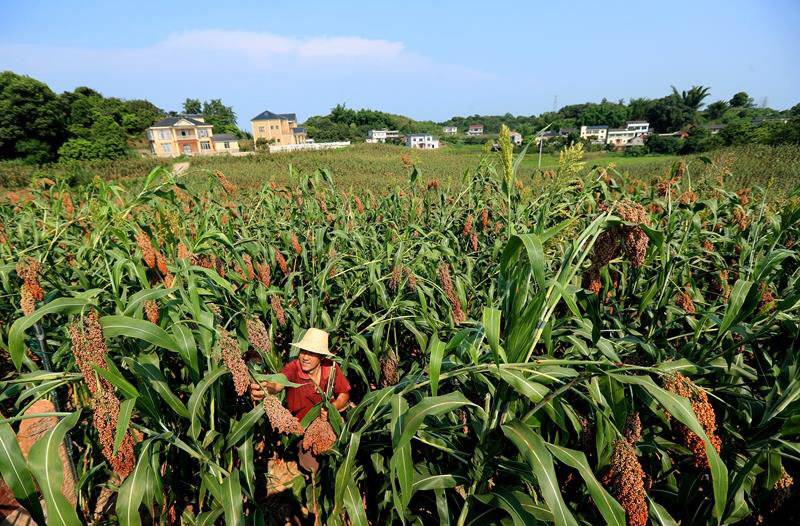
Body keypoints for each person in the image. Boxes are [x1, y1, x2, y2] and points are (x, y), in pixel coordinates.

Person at [250, 327, 351, 472]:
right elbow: (278, 383)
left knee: (339, 457)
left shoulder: (331, 368)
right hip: (302, 427)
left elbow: (344, 394)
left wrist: (332, 408)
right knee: (311, 467)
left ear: (321, 356)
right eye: (303, 351)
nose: (305, 357)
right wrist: (264, 387)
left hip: (326, 422)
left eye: (311, 353)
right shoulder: (294, 368)